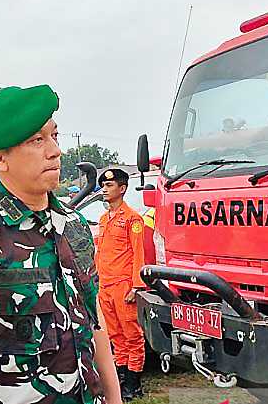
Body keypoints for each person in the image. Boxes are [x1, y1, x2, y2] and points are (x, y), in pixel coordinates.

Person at [0, 85, 122, 404]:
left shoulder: (74, 226)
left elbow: (93, 318)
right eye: (36, 140)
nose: (55, 151)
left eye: (54, 136)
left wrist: (114, 397)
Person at [95, 168, 146, 401]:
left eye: (109, 186)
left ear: (122, 189)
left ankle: (134, 384)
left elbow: (139, 254)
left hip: (124, 286)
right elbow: (101, 253)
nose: (104, 190)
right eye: (103, 186)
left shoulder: (133, 218)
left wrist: (136, 286)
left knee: (132, 335)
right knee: (114, 335)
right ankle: (121, 379)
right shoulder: (104, 219)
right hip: (105, 285)